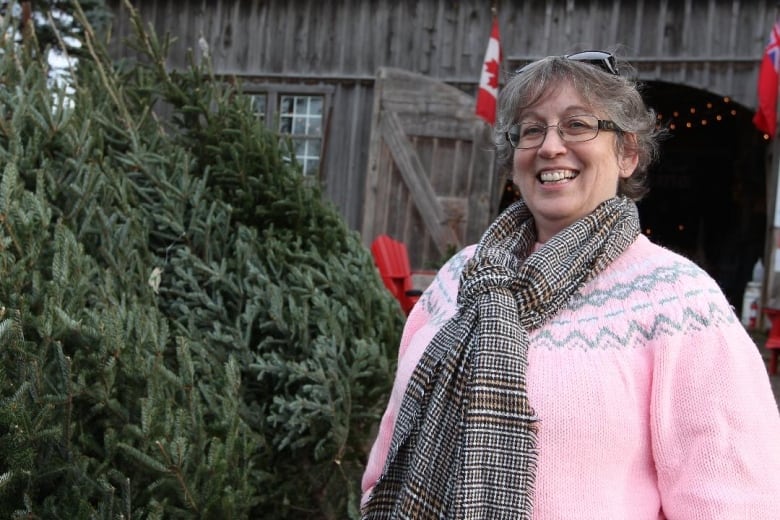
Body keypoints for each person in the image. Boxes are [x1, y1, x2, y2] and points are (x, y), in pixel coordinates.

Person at [360, 50, 780, 519]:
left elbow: (738, 503)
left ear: (627, 153)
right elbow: (393, 446)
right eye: (532, 129)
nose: (550, 146)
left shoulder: (681, 302)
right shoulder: (459, 279)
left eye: (578, 125)